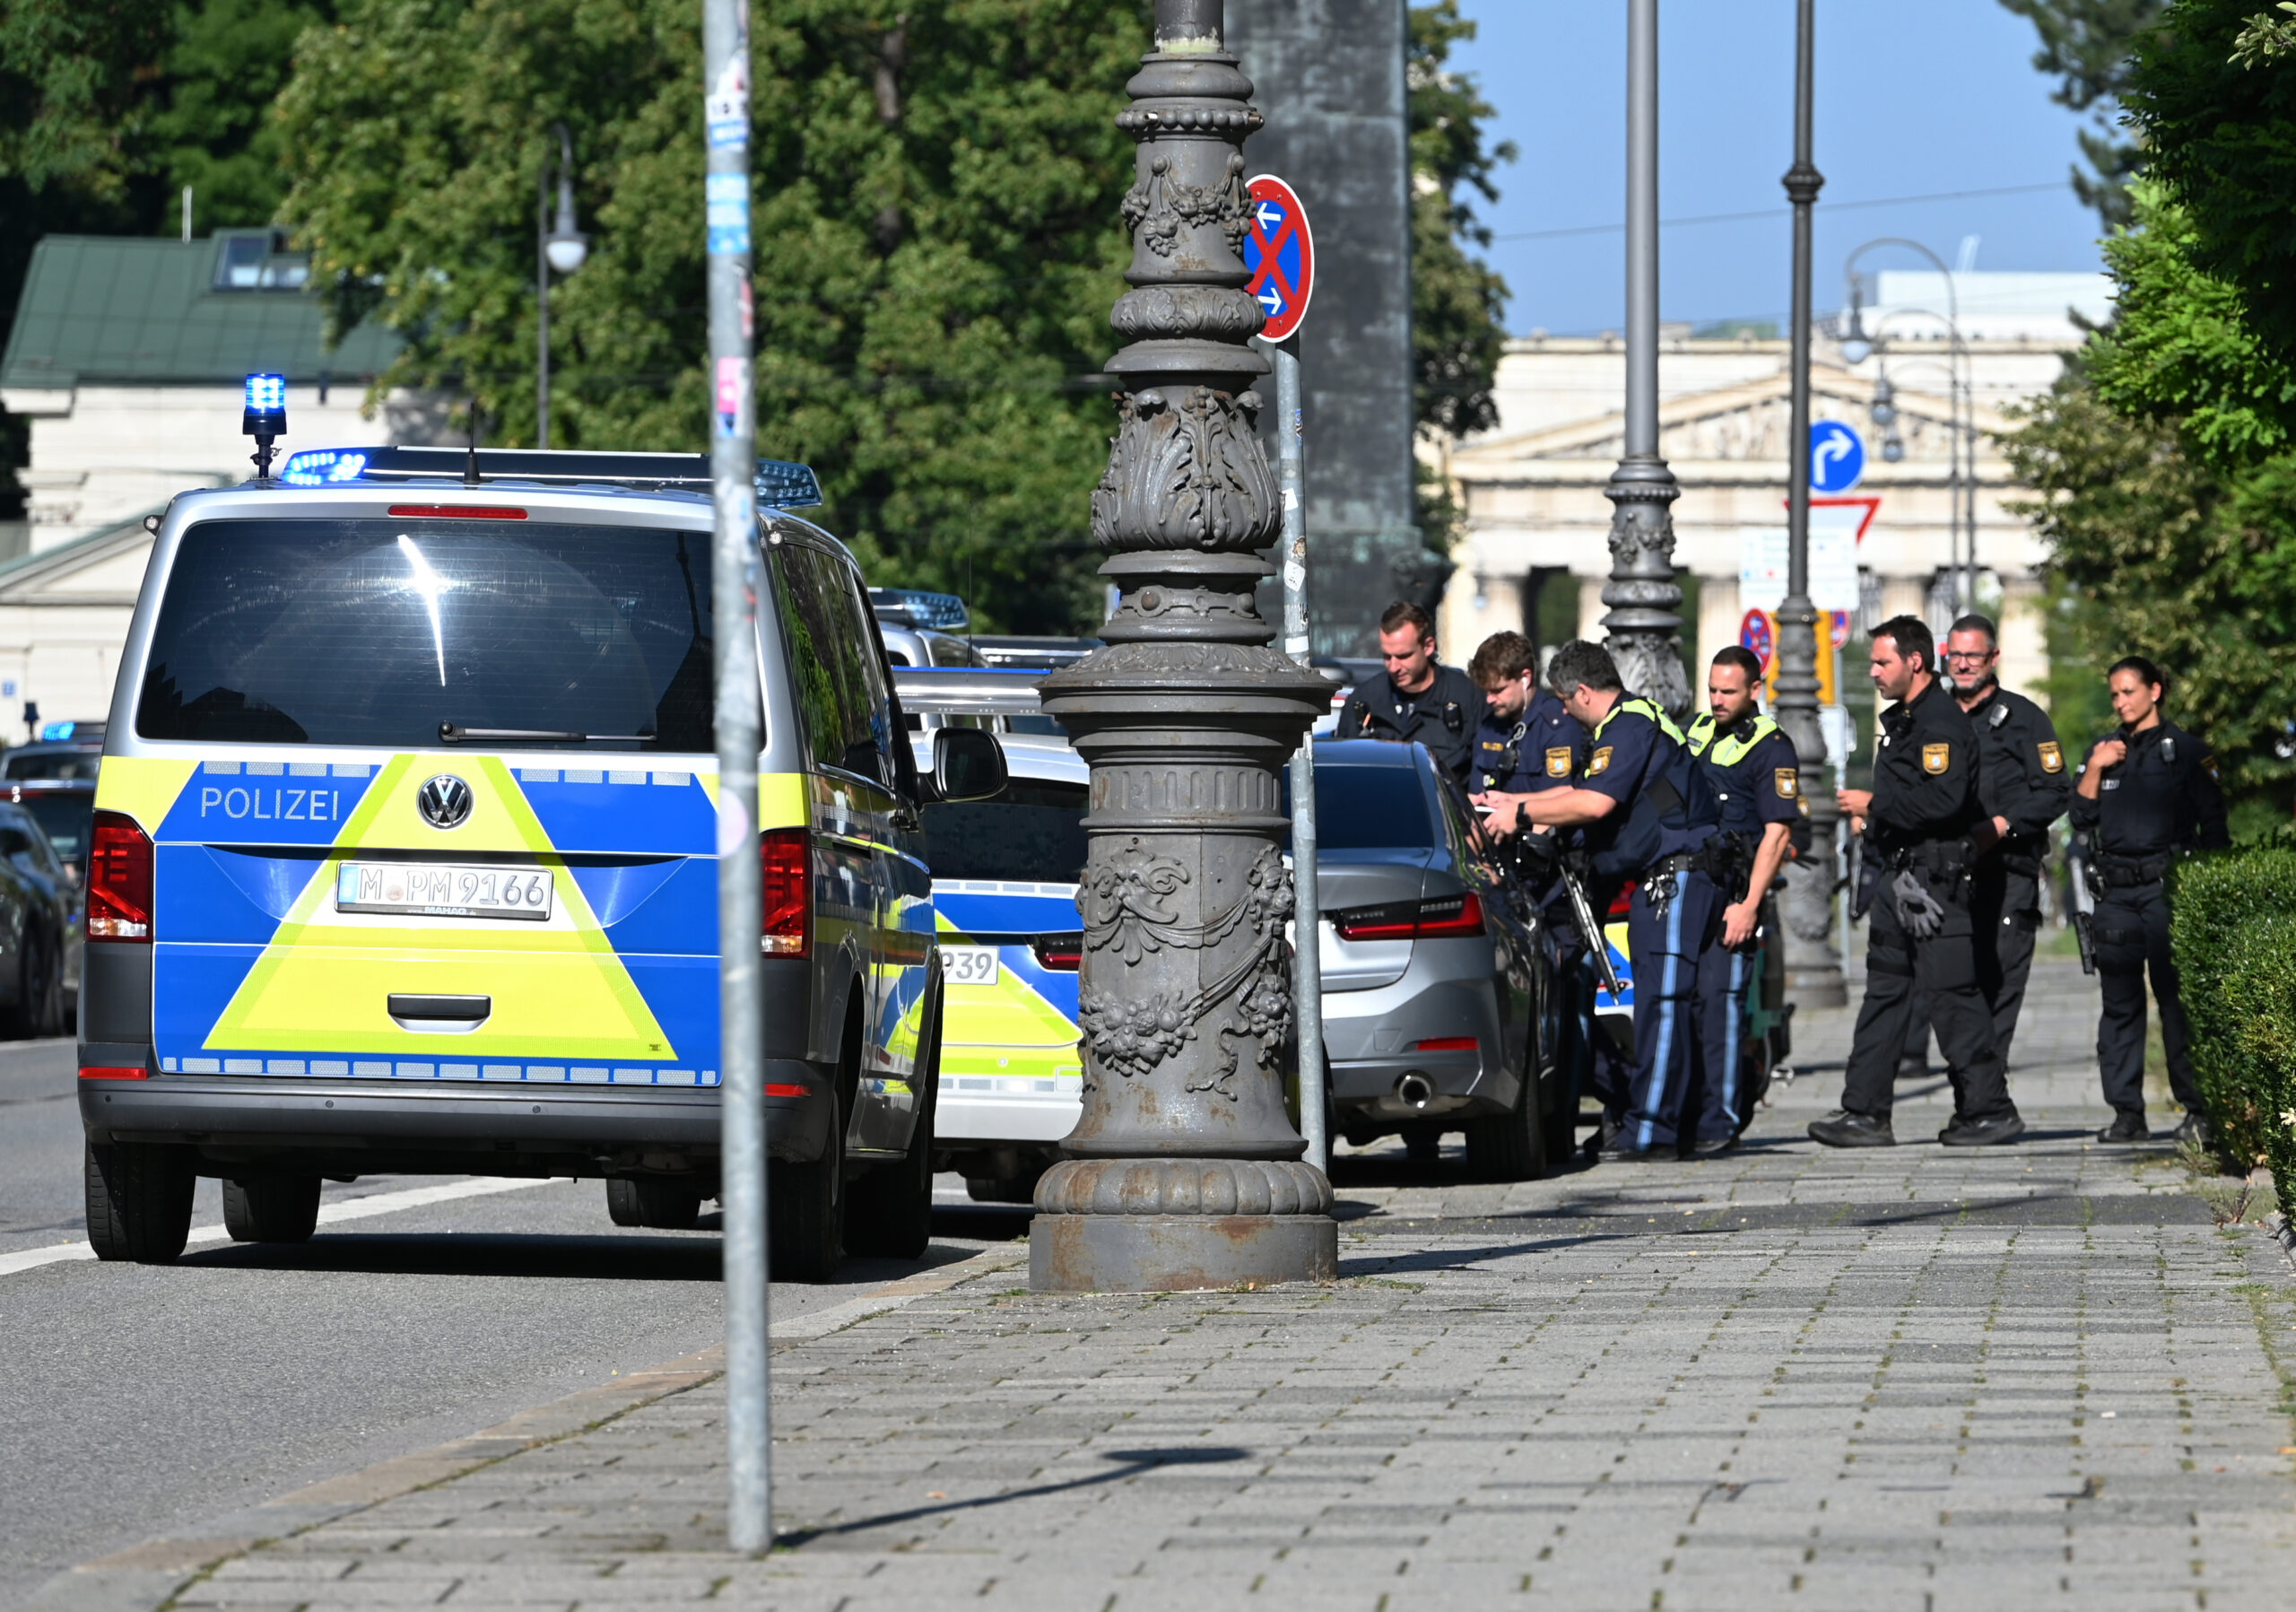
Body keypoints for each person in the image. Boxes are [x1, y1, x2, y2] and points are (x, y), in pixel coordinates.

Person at [1500, 640, 1723, 1159]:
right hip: (1656, 880)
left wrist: (1523, 815)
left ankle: (1655, 1132)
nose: (1559, 711)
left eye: (1562, 699)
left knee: (1663, 1007)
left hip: (1676, 876)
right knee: (1652, 1005)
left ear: (1582, 692)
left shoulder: (1629, 725)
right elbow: (1580, 790)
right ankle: (1648, 1120)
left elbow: (1595, 802)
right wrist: (1510, 802)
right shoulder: (1619, 726)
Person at [1813, 614, 2022, 1149]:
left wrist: (1875, 804)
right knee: (1884, 992)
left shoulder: (1940, 724)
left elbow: (1943, 802)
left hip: (1936, 881)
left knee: (1952, 996)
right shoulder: (1906, 719)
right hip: (1901, 875)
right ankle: (1864, 1113)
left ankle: (1988, 1110)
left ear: (1915, 661)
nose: (1874, 672)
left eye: (1882, 662)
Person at [2070, 655, 2229, 1144]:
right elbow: (2079, 818)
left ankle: (2196, 1111)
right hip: (2116, 894)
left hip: (2167, 889)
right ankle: (2127, 1114)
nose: (2120, 702)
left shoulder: (2185, 751)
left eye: (2129, 692)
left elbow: (2215, 828)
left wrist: (2208, 893)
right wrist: (2095, 767)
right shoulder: (2102, 751)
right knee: (2119, 1005)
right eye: (2114, 694)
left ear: (2154, 691)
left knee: (2175, 1002)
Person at [1683, 647, 1803, 1147]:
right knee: (1683, 1005)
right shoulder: (1697, 732)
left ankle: (1722, 1121)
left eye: (1728, 691)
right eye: (1712, 689)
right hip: (1692, 890)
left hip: (1737, 895)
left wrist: (1750, 905)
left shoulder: (1773, 748)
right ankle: (1686, 1114)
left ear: (1755, 689)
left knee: (1721, 1006)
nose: (1716, 700)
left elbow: (1776, 834)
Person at [1335, 601, 1486, 783]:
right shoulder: (1363, 700)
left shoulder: (1467, 698)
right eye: (1386, 656)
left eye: (1403, 656)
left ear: (1428, 646)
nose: (1393, 667)